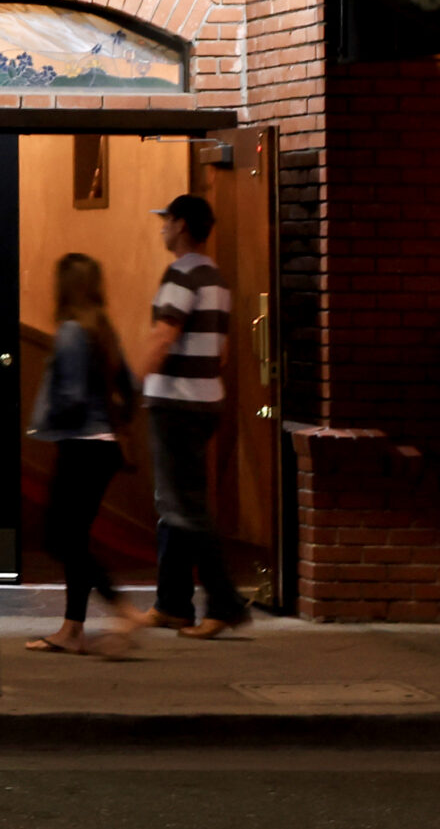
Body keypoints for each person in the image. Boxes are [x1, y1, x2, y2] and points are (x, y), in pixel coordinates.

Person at [140, 193, 249, 638]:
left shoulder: (181, 274)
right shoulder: (216, 279)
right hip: (205, 401)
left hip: (176, 403)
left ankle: (224, 604)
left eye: (166, 220)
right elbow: (219, 351)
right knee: (175, 504)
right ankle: (173, 604)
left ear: (182, 224)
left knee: (186, 506)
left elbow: (165, 334)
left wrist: (132, 383)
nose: (162, 227)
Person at [26, 253, 145, 655]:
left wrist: (48, 417)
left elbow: (73, 398)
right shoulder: (103, 329)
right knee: (74, 537)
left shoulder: (73, 331)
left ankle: (123, 607)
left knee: (61, 540)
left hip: (81, 445)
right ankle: (72, 630)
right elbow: (129, 385)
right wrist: (117, 424)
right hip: (104, 447)